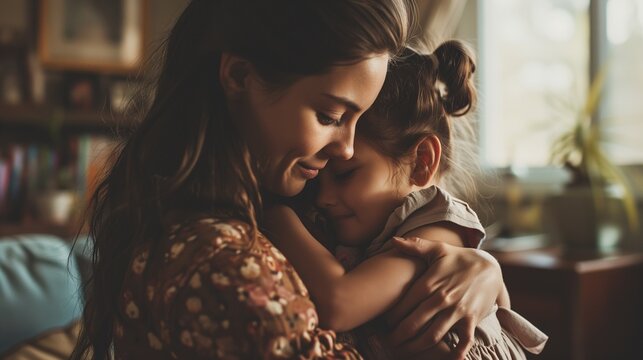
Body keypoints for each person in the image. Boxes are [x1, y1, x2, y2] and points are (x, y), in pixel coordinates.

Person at [71, 1, 507, 359]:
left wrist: (486, 270)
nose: (346, 148)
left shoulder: (295, 208)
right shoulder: (221, 263)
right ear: (240, 76)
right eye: (330, 116)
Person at [264, 43, 548, 359]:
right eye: (320, 180)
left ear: (421, 162)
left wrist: (277, 218)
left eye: (346, 174)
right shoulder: (369, 233)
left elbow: (339, 304)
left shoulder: (435, 230)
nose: (324, 199)